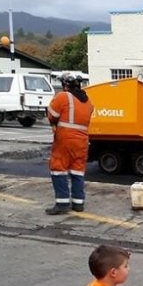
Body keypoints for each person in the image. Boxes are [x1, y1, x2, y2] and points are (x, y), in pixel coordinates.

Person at [46, 72, 94, 215]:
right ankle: (78, 204)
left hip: (65, 140)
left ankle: (62, 204)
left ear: (65, 85)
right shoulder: (88, 102)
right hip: (82, 141)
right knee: (77, 171)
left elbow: (52, 115)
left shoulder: (63, 96)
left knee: (58, 169)